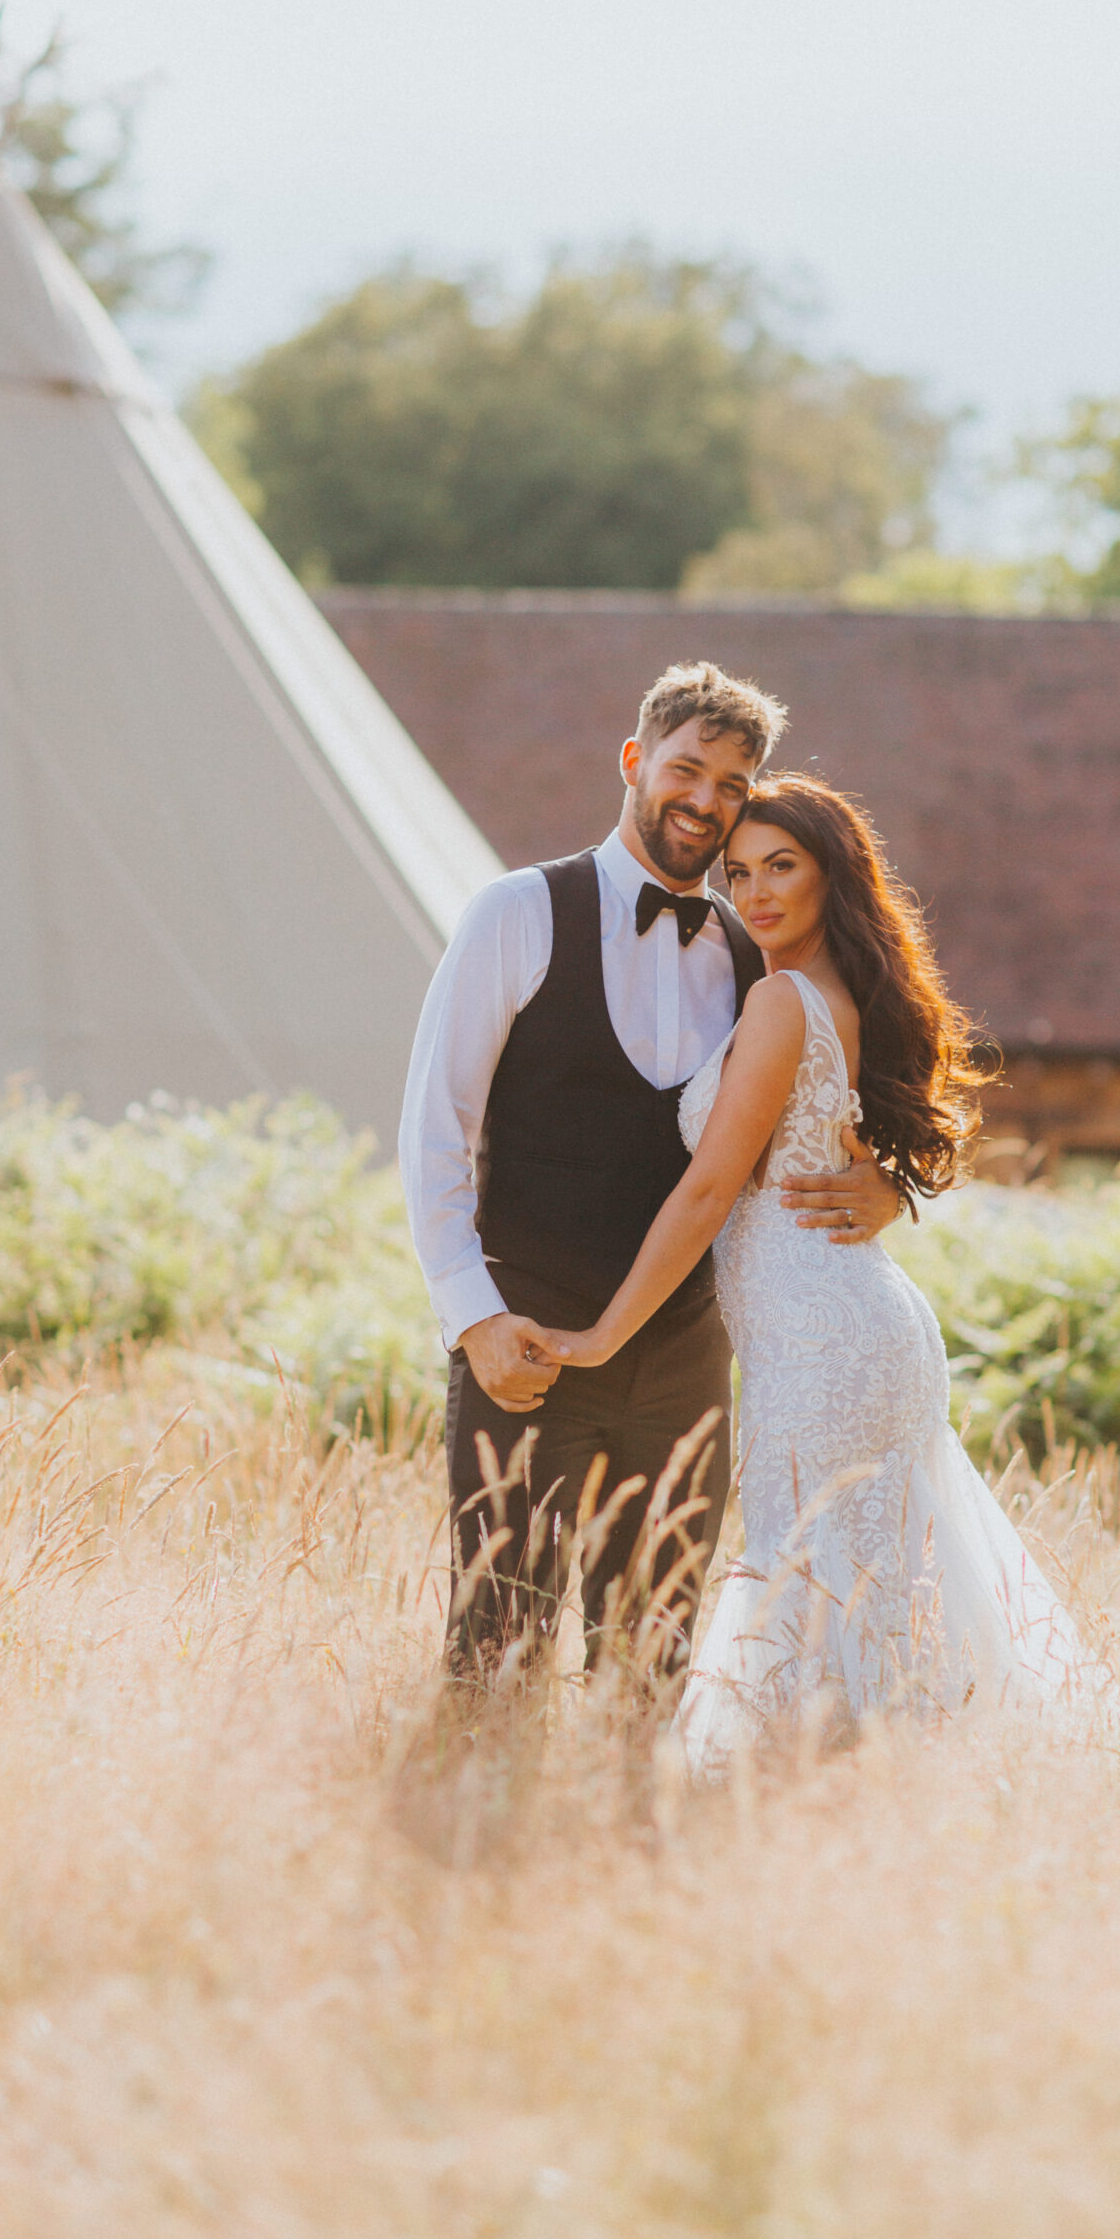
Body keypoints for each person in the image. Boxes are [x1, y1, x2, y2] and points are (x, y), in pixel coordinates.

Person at [530, 774, 1112, 1769]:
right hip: (864, 1318)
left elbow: (711, 1190)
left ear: (831, 872)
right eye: (737, 872)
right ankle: (874, 1805)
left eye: (780, 867)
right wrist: (888, 1181)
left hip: (820, 1339)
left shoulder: (777, 1001)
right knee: (866, 1593)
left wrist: (601, 1334)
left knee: (803, 1584)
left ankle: (777, 1808)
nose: (753, 892)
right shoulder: (839, 996)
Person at [398, 666, 903, 1688]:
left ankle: (630, 1845)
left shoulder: (752, 946)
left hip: (685, 1363)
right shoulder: (515, 912)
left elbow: (848, 1083)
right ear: (635, 761)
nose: (707, 801)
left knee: (656, 1662)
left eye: (733, 782)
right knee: (500, 1646)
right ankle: (472, 1844)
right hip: (529, 1343)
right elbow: (434, 1129)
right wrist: (473, 1317)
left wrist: (891, 1183)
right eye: (687, 769)